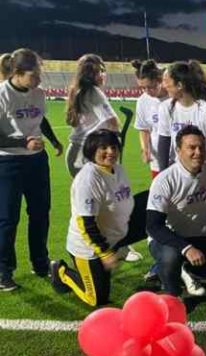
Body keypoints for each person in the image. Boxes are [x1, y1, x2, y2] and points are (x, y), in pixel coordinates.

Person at [50, 130, 147, 306]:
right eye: (103, 148)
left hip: (114, 235)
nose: (110, 151)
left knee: (154, 210)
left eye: (113, 147)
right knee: (96, 298)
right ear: (91, 151)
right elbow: (85, 224)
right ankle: (61, 271)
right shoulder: (88, 180)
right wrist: (105, 253)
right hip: (90, 248)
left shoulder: (117, 169)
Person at [146, 125, 206, 297]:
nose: (198, 152)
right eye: (191, 147)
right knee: (171, 257)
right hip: (168, 239)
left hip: (200, 237)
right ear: (178, 150)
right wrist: (186, 248)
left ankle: (187, 270)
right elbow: (153, 226)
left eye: (201, 147)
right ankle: (172, 291)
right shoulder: (164, 180)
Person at [0, 49, 58, 291]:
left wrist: (53, 140)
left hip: (36, 161)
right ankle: (3, 272)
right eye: (34, 75)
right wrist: (22, 143)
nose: (39, 79)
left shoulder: (39, 93)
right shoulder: (2, 94)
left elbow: (40, 118)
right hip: (8, 163)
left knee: (40, 213)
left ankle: (40, 263)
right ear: (18, 73)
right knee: (7, 219)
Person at [156, 61, 206, 171]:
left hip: (203, 169)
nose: (164, 85)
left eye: (167, 81)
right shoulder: (165, 108)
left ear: (179, 85)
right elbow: (164, 143)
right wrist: (162, 174)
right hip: (180, 170)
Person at [65, 54, 119, 177]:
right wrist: (116, 140)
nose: (102, 75)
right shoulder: (94, 92)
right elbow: (112, 121)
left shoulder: (77, 89)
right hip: (88, 152)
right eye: (99, 71)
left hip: (76, 152)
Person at [132, 59, 168, 179]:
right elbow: (144, 128)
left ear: (160, 80)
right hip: (157, 161)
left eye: (151, 87)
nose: (147, 91)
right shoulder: (142, 101)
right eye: (143, 88)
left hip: (179, 159)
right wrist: (145, 148)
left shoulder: (173, 96)